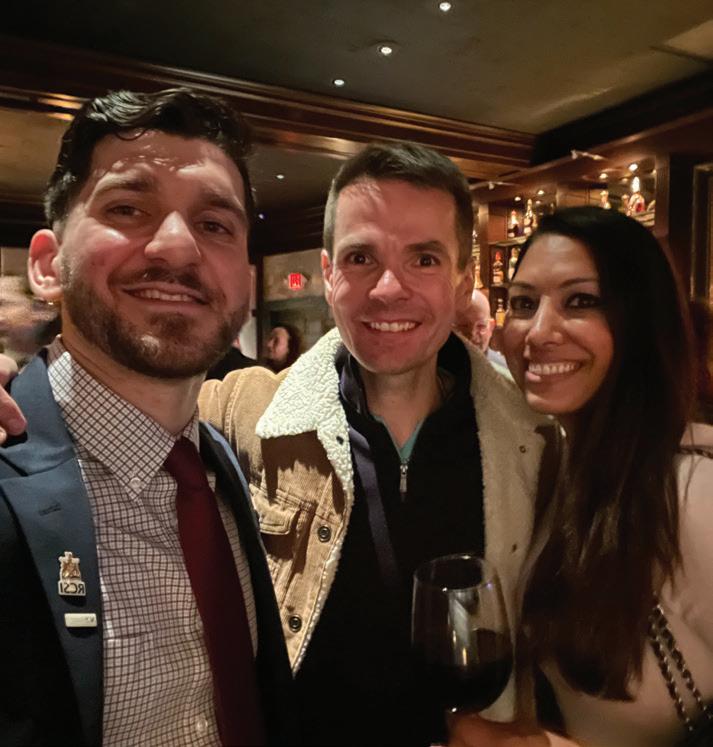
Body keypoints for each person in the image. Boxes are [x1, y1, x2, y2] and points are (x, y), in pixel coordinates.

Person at [198, 142, 558, 746]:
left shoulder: (536, 438)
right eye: (361, 257)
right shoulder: (247, 411)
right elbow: (124, 411)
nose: (389, 288)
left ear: (463, 280)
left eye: (424, 259)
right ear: (328, 274)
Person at [0, 88, 294, 746]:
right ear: (47, 265)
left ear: (244, 282)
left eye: (215, 224)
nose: (177, 247)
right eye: (128, 208)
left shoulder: (220, 463)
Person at [454, 206, 713, 747]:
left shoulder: (694, 491)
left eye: (581, 302)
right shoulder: (562, 464)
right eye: (523, 303)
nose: (538, 332)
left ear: (640, 320)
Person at [455, 287, 508, 371]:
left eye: (481, 326)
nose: (472, 334)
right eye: (464, 326)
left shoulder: (505, 371)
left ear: (491, 327)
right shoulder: (436, 369)